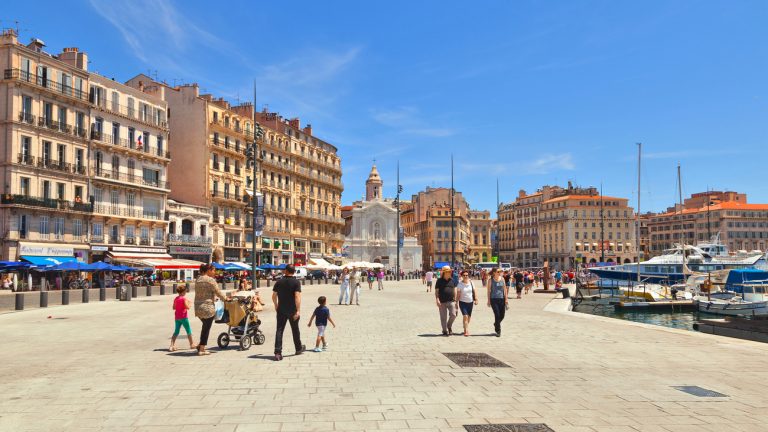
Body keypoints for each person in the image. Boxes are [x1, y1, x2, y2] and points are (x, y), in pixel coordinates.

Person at [193, 263, 228, 356]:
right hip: (208, 308)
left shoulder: (198, 279)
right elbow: (218, 292)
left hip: (198, 308)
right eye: (213, 270)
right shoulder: (211, 280)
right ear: (208, 270)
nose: (214, 272)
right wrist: (226, 299)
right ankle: (202, 349)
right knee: (206, 329)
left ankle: (200, 345)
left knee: (205, 327)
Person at [272, 264, 305, 361]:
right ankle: (298, 348)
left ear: (285, 271)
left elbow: (274, 296)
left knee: (279, 330)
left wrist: (276, 305)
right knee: (295, 329)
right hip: (292, 310)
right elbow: (297, 297)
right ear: (294, 272)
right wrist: (298, 310)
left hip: (281, 309)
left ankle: (278, 352)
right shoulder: (296, 282)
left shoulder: (279, 282)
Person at [169, 284, 195, 351]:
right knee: (188, 330)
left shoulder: (176, 298)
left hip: (177, 317)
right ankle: (192, 344)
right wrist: (189, 303)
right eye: (185, 291)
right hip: (184, 317)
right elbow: (187, 307)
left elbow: (173, 307)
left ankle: (171, 345)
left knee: (176, 331)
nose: (186, 293)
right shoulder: (184, 299)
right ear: (183, 292)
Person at [434, 265, 457, 336]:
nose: (449, 273)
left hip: (451, 301)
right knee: (443, 317)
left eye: (450, 271)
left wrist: (455, 300)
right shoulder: (439, 281)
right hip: (442, 302)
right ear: (444, 273)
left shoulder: (452, 280)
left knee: (453, 314)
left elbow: (455, 290)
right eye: (448, 272)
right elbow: (436, 291)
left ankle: (449, 325)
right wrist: (437, 299)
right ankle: (444, 330)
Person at [486, 268, 509, 337]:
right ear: (494, 273)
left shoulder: (502, 279)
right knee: (497, 315)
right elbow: (489, 291)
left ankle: (496, 323)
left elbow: (504, 289)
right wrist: (489, 300)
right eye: (498, 271)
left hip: (502, 299)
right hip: (494, 299)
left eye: (500, 271)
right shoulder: (490, 280)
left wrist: (506, 299)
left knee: (502, 315)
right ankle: (498, 330)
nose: (500, 272)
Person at [455, 270, 478, 337]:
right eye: (464, 275)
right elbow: (458, 295)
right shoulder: (460, 284)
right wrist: (456, 302)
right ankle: (466, 331)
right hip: (462, 302)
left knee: (469, 317)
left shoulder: (471, 282)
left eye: (466, 275)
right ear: (462, 276)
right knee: (465, 316)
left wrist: (476, 299)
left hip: (470, 302)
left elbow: (474, 291)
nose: (465, 276)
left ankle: (465, 326)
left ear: (468, 276)